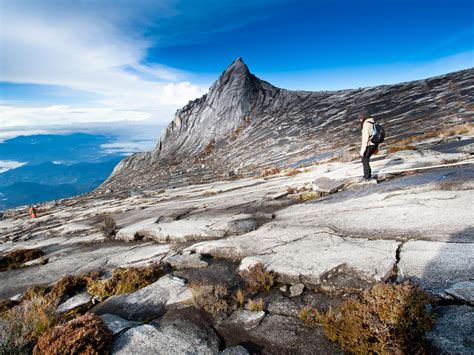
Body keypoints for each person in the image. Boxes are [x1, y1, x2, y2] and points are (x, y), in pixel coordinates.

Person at [359, 110, 378, 181]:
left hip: (369, 145)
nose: (360, 120)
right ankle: (368, 175)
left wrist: (362, 150)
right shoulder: (373, 122)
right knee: (366, 159)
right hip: (375, 144)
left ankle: (367, 177)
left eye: (361, 118)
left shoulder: (366, 124)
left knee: (364, 159)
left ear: (364, 118)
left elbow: (365, 139)